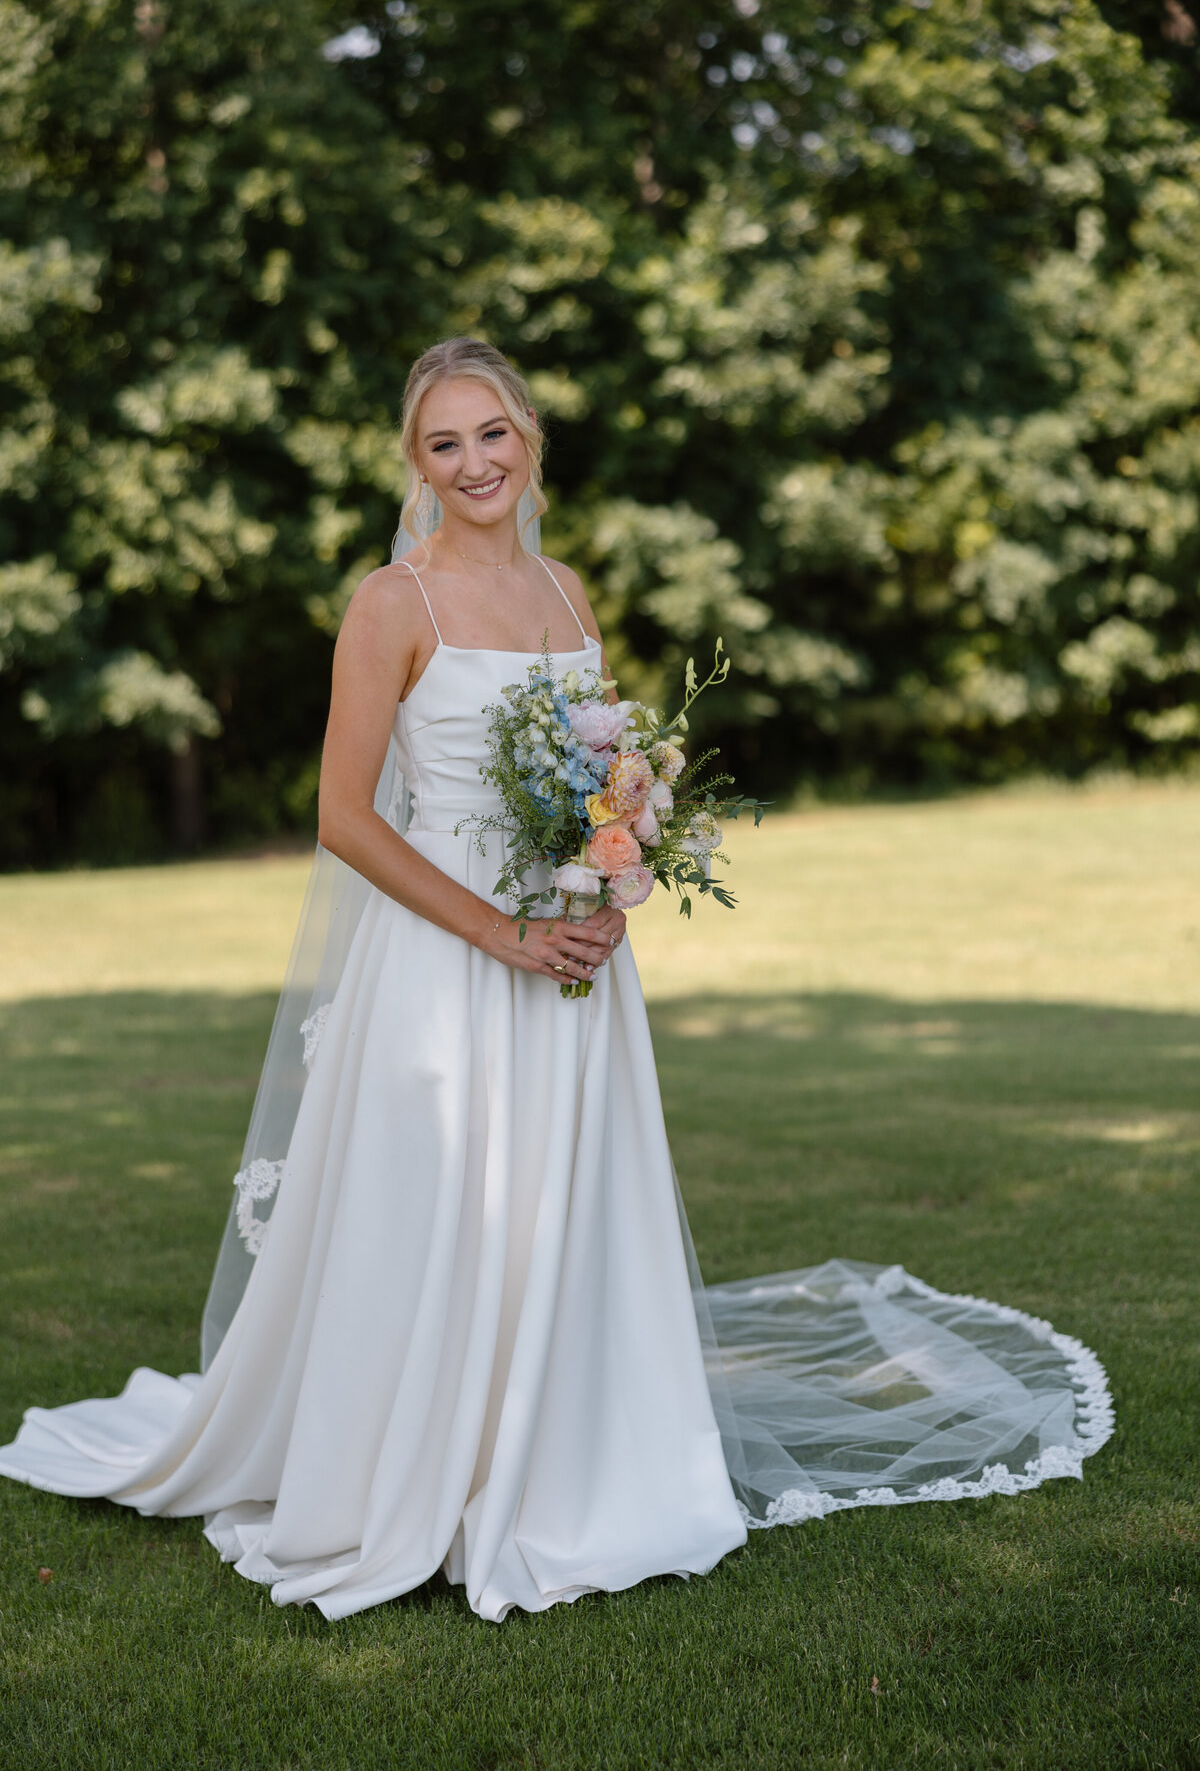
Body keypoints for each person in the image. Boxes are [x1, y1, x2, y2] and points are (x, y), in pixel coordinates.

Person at [0, 339, 1113, 1622]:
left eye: (492, 433)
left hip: (572, 958)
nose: (474, 462)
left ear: (529, 435)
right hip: (446, 964)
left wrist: (613, 872)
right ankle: (420, 1470)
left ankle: (568, 1458)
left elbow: (597, 777)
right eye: (444, 443)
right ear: (416, 466)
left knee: (562, 1204)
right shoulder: (393, 605)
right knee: (442, 1210)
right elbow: (345, 819)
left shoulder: (566, 589)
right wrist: (501, 933)